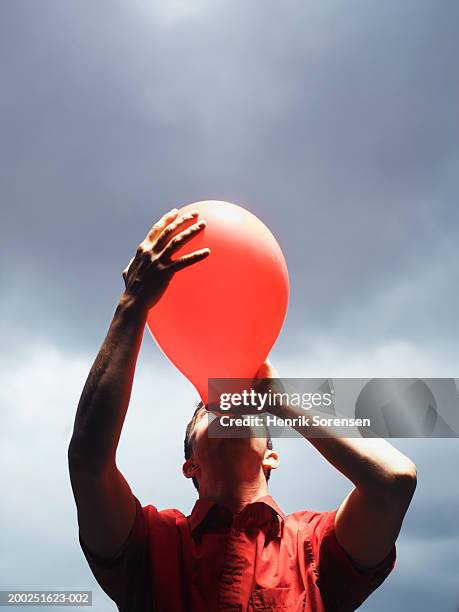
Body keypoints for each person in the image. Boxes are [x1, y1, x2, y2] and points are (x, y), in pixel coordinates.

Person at [68, 209, 417, 611]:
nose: (224, 402)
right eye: (204, 409)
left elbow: (394, 481)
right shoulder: (151, 544)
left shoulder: (315, 547)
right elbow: (87, 462)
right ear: (190, 466)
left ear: (272, 454)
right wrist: (132, 307)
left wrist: (283, 399)